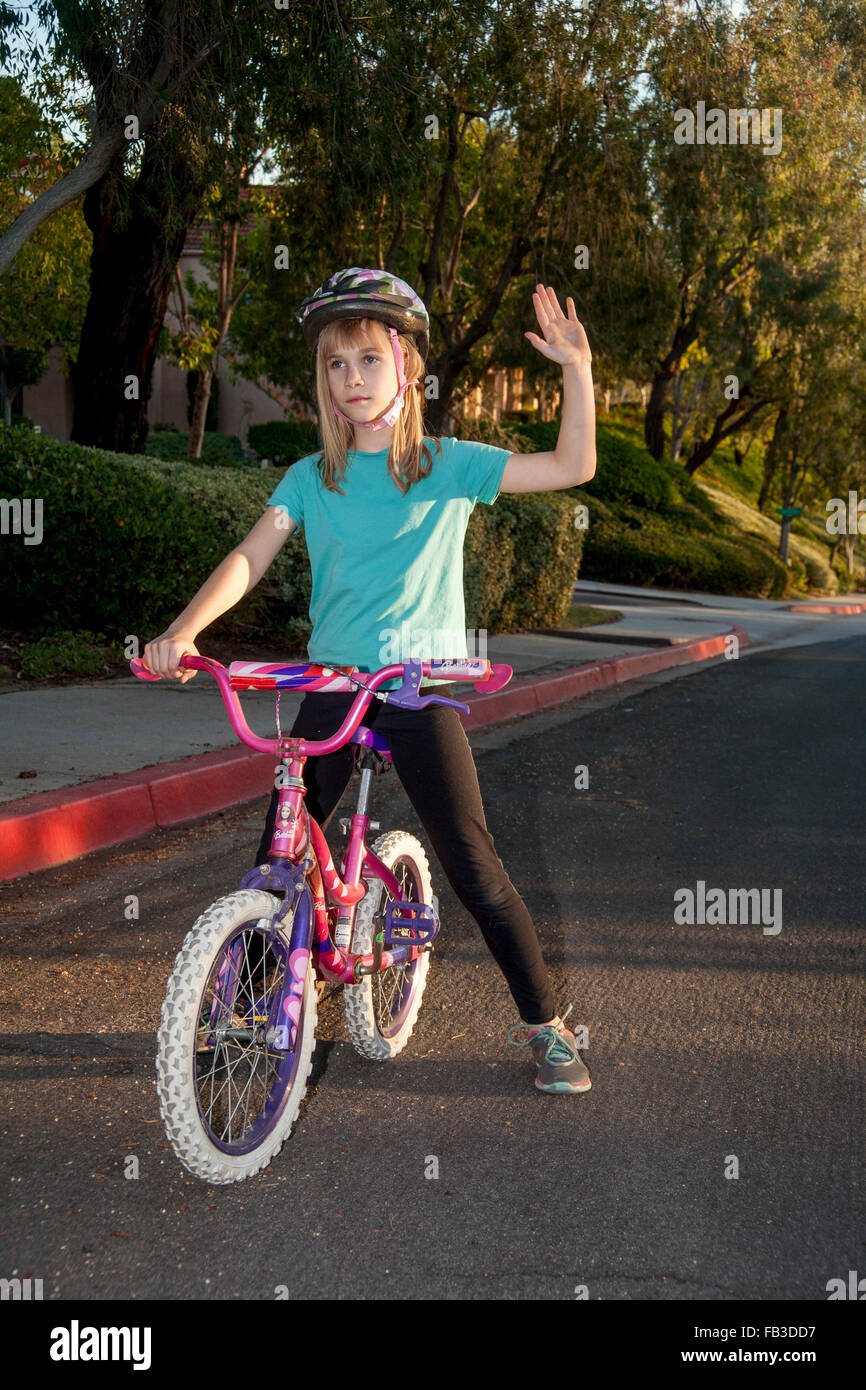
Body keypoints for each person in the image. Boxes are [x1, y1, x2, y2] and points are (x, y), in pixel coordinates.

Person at [143, 266, 597, 1094]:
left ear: (407, 367)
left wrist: (576, 368)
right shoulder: (310, 479)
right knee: (279, 845)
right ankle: (247, 1006)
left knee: (472, 863)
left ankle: (548, 1024)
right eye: (334, 365)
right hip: (333, 686)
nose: (350, 380)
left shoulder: (447, 465)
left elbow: (571, 467)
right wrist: (183, 631)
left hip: (416, 692)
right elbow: (252, 554)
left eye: (366, 360)